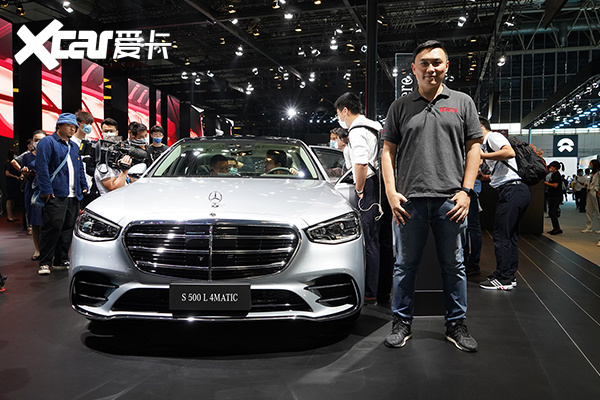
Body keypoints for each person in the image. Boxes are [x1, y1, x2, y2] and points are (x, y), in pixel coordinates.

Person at [381, 40, 481, 352]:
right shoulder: (400, 107)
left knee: (454, 266)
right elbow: (387, 151)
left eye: (437, 62)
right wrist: (391, 192)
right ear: (413, 68)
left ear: (446, 66)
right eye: (424, 63)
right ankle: (401, 322)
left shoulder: (463, 102)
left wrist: (466, 191)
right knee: (404, 266)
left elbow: (474, 148)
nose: (431, 68)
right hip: (408, 201)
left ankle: (456, 324)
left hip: (450, 201)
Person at [334, 92, 382, 305]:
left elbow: (361, 163)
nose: (339, 118)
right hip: (380, 184)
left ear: (345, 110)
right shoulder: (375, 126)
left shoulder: (356, 130)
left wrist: (360, 189)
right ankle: (380, 289)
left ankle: (370, 291)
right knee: (379, 241)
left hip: (368, 186)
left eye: (338, 113)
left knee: (369, 240)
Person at [478, 116, 531, 290]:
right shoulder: (488, 142)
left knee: (501, 235)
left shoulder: (493, 137)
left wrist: (482, 155)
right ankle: (509, 274)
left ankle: (503, 278)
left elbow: (509, 153)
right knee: (509, 236)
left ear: (480, 126)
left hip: (512, 191)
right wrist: (486, 177)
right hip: (514, 190)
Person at [35, 113, 88, 276]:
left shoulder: (74, 146)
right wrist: (46, 189)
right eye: (69, 125)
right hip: (56, 193)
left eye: (74, 126)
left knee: (68, 228)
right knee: (52, 227)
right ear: (59, 126)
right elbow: (42, 167)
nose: (73, 129)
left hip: (73, 194)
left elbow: (79, 167)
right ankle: (45, 262)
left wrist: (83, 185)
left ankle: (61, 259)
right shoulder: (47, 142)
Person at [20, 130, 47, 260]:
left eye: (41, 139)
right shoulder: (27, 156)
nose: (38, 142)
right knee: (35, 222)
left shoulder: (50, 153)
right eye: (36, 140)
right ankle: (37, 250)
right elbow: (23, 175)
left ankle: (49, 249)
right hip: (32, 190)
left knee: (50, 221)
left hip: (48, 189)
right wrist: (25, 173)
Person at [463, 177, 483, 275]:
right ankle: (469, 261)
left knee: (472, 227)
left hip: (468, 190)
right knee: (468, 227)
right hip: (470, 190)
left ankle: (472, 263)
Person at [545, 161, 564, 235]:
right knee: (552, 212)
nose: (550, 168)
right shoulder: (554, 174)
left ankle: (557, 228)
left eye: (551, 166)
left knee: (553, 212)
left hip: (555, 196)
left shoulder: (556, 175)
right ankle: (556, 228)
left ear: (554, 167)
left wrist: (545, 183)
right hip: (554, 195)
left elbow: (555, 185)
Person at [581, 159, 600, 233]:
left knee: (598, 210)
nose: (589, 165)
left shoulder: (599, 173)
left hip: (595, 192)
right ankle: (588, 227)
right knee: (588, 210)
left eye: (590, 164)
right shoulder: (592, 174)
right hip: (589, 192)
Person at [4, 149, 21, 222]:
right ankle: (9, 216)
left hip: (14, 182)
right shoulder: (8, 163)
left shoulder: (13, 163)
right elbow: (7, 173)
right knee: (10, 199)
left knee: (13, 199)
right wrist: (15, 177)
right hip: (10, 182)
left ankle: (11, 215)